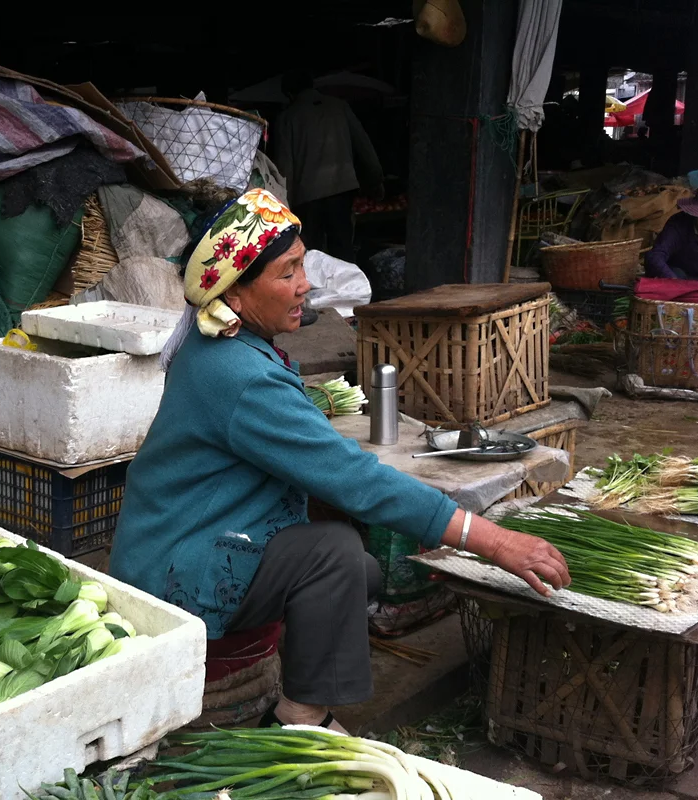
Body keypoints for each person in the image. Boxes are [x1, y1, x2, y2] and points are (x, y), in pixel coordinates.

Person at [109, 188, 571, 732]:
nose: (305, 284)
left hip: (176, 542)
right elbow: (357, 480)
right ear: (234, 293)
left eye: (302, 265)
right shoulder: (239, 373)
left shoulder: (223, 343)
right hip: (174, 570)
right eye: (286, 273)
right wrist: (494, 541)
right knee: (336, 556)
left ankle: (300, 690)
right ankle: (301, 719)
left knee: (360, 566)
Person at [274, 70, 384, 263]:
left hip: (307, 197)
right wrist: (376, 180)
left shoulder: (287, 118)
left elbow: (285, 168)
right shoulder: (340, 107)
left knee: (312, 256)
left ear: (289, 94)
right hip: (341, 189)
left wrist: (285, 205)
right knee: (343, 250)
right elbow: (364, 146)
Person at [645, 183, 698, 280]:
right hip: (681, 277)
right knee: (678, 273)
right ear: (696, 215)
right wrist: (673, 280)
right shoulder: (678, 224)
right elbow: (656, 255)